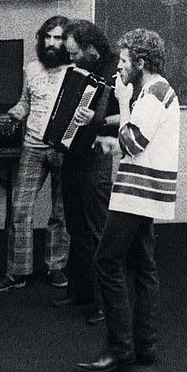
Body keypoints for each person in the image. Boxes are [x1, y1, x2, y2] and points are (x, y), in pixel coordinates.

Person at [75, 28, 180, 372]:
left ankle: (120, 348)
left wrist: (121, 100)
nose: (118, 67)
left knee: (106, 261)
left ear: (141, 62)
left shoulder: (153, 92)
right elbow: (137, 138)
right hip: (146, 188)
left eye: (123, 61)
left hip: (138, 190)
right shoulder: (154, 90)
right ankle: (144, 347)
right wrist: (114, 141)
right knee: (144, 267)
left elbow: (134, 141)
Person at [0, 16, 71, 293]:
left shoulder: (75, 69)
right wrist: (17, 112)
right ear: (41, 39)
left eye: (58, 38)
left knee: (61, 212)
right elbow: (25, 102)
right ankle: (17, 272)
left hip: (62, 149)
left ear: (66, 42)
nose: (52, 43)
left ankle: (56, 266)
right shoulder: (31, 68)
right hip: (32, 147)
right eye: (48, 37)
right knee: (20, 210)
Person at [50, 19, 122, 326]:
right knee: (75, 226)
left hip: (97, 156)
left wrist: (98, 120)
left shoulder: (118, 72)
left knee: (96, 230)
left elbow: (130, 115)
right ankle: (81, 292)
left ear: (91, 49)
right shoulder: (81, 68)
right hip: (73, 153)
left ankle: (106, 304)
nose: (71, 60)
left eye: (75, 54)